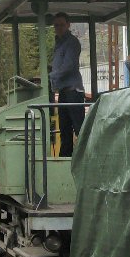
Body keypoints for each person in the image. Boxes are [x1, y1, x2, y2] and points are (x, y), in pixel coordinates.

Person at [49, 12, 85, 157]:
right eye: (56, 25)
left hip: (73, 92)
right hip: (64, 92)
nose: (59, 28)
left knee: (78, 128)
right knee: (64, 129)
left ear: (68, 25)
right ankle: (64, 158)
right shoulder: (59, 44)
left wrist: (51, 76)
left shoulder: (72, 42)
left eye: (62, 25)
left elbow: (68, 66)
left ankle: (84, 157)